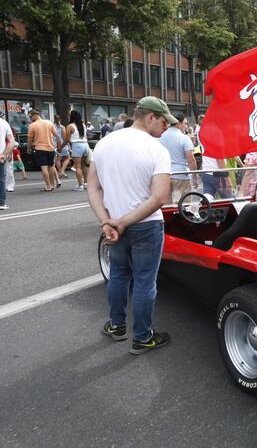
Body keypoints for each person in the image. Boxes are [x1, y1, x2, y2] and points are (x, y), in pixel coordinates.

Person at [86, 96, 174, 354]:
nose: (166, 127)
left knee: (119, 276)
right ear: (150, 117)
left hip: (113, 224)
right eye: (163, 121)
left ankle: (117, 326)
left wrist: (107, 221)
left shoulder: (103, 143)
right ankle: (143, 337)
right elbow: (159, 197)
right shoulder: (157, 149)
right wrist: (121, 222)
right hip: (145, 225)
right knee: (145, 282)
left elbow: (93, 187)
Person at [158, 114, 198, 203]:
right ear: (178, 124)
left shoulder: (160, 136)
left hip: (164, 173)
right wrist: (195, 177)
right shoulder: (184, 138)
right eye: (185, 124)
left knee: (167, 204)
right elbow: (191, 160)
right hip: (181, 174)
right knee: (184, 204)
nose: (186, 127)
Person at [27, 109, 59, 191]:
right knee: (51, 167)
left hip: (40, 148)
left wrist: (29, 149)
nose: (31, 118)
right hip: (50, 148)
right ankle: (52, 184)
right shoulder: (49, 122)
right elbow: (57, 135)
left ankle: (48, 186)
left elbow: (30, 139)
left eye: (31, 116)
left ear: (35, 115)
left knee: (44, 168)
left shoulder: (32, 125)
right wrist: (60, 146)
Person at [66, 110, 90, 191]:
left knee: (78, 167)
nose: (68, 116)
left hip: (77, 146)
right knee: (84, 166)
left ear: (72, 116)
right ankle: (86, 183)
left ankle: (80, 185)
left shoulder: (70, 126)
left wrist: (61, 147)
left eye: (69, 115)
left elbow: (67, 139)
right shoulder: (83, 125)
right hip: (85, 145)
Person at [0, 113, 14, 209]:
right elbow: (11, 141)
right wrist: (4, 154)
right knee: (1, 180)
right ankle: (1, 203)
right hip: (0, 156)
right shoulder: (4, 123)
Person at [53, 115, 70, 179]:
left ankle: (60, 172)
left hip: (55, 144)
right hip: (62, 144)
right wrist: (68, 145)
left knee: (58, 159)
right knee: (67, 158)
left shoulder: (52, 126)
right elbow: (65, 137)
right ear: (60, 120)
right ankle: (62, 171)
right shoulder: (62, 127)